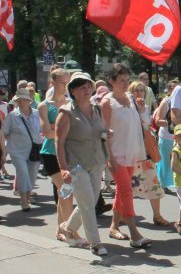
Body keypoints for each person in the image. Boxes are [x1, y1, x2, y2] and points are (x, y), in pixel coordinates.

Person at [55, 72, 110, 256]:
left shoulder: (97, 109)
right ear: (73, 91)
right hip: (76, 166)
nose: (86, 90)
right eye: (81, 87)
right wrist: (63, 168)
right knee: (87, 204)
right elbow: (59, 142)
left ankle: (68, 228)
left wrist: (106, 132)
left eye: (88, 86)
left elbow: (100, 130)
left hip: (96, 162)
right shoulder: (66, 112)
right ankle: (95, 243)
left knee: (91, 201)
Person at [100, 63, 152, 248]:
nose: (125, 83)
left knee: (122, 191)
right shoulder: (107, 102)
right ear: (111, 81)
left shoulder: (130, 98)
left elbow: (144, 123)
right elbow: (103, 133)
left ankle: (114, 226)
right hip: (117, 155)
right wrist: (109, 157)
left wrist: (141, 109)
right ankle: (134, 233)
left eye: (127, 80)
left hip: (132, 152)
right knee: (126, 191)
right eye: (121, 80)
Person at [38, 68, 84, 242]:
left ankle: (61, 229)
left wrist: (55, 127)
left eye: (67, 82)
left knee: (63, 192)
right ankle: (70, 229)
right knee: (66, 191)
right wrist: (62, 129)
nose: (65, 86)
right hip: (50, 153)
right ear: (53, 82)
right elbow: (46, 132)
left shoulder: (71, 104)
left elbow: (75, 130)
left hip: (68, 153)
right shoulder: (44, 105)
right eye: (62, 82)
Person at [128, 80, 169, 226]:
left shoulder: (144, 107)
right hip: (131, 153)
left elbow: (146, 126)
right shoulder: (127, 107)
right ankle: (123, 215)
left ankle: (157, 216)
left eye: (142, 91)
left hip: (146, 152)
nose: (139, 93)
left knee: (153, 183)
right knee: (128, 187)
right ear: (130, 93)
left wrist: (141, 111)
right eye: (136, 91)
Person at [2, 88, 41, 211]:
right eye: (19, 100)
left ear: (29, 101)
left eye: (24, 100)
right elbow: (4, 133)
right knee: (23, 173)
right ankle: (24, 200)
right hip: (17, 151)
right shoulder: (12, 116)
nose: (21, 102)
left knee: (32, 175)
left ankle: (27, 195)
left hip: (34, 150)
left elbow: (41, 130)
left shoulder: (36, 114)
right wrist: (5, 149)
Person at [154, 79, 180, 195]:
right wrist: (171, 123)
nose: (176, 91)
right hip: (166, 136)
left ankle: (172, 183)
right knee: (164, 161)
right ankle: (162, 184)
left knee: (176, 161)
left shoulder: (180, 102)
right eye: (173, 88)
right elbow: (158, 120)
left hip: (178, 136)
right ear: (169, 90)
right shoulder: (166, 101)